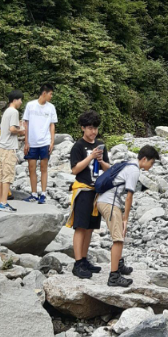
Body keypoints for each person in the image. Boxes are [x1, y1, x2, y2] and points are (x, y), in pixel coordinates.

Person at [96, 144, 160, 287]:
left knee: (119, 236)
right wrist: (125, 219)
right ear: (144, 159)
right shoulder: (134, 170)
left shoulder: (129, 163)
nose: (152, 165)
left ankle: (118, 265)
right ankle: (113, 277)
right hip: (109, 203)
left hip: (106, 201)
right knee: (118, 238)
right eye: (152, 162)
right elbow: (129, 196)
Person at [68, 110, 111, 280]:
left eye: (96, 128)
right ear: (83, 128)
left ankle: (84, 259)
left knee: (90, 228)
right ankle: (77, 263)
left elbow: (108, 169)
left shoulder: (100, 145)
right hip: (83, 189)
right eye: (90, 128)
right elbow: (75, 169)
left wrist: (100, 161)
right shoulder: (78, 146)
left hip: (96, 191)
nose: (93, 131)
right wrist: (91, 157)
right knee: (80, 227)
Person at [22, 84, 57, 203]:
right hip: (32, 142)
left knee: (44, 168)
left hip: (45, 142)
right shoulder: (30, 105)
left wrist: (52, 141)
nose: (51, 96)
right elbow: (25, 124)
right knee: (31, 168)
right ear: (44, 93)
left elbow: (52, 125)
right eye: (50, 94)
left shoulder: (51, 107)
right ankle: (33, 193)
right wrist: (26, 142)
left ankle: (43, 193)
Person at [0, 90, 24, 212]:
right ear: (15, 100)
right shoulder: (14, 112)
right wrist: (22, 130)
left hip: (1, 146)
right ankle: (4, 203)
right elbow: (12, 129)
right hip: (8, 147)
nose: (21, 102)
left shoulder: (6, 111)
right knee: (8, 175)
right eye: (20, 100)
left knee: (0, 175)